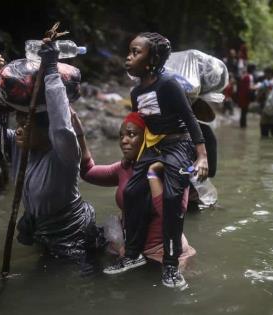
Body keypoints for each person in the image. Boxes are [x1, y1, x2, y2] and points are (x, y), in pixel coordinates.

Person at [0, 42, 98, 262]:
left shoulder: (64, 154)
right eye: (18, 120)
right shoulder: (17, 144)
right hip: (41, 229)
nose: (18, 128)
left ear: (46, 129)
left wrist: (51, 72)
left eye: (26, 122)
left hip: (72, 235)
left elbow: (61, 125)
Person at [102, 32, 208, 289]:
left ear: (153, 59)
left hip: (179, 145)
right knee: (133, 191)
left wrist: (201, 155)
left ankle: (171, 266)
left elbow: (190, 118)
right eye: (129, 51)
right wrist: (132, 152)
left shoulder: (169, 84)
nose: (128, 57)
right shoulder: (136, 92)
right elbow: (141, 126)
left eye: (136, 52)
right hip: (155, 147)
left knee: (172, 198)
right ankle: (133, 254)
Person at [71, 111, 196, 267]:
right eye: (121, 136)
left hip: (162, 255)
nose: (124, 140)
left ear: (148, 138)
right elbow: (88, 172)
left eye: (131, 134)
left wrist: (152, 175)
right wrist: (79, 136)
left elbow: (173, 213)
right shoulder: (125, 168)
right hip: (131, 251)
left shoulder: (171, 166)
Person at [237, 63, 256, 128]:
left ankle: (242, 125)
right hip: (246, 96)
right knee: (244, 111)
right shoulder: (250, 76)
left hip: (241, 95)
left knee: (243, 112)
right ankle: (243, 125)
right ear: (252, 70)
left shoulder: (244, 75)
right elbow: (250, 87)